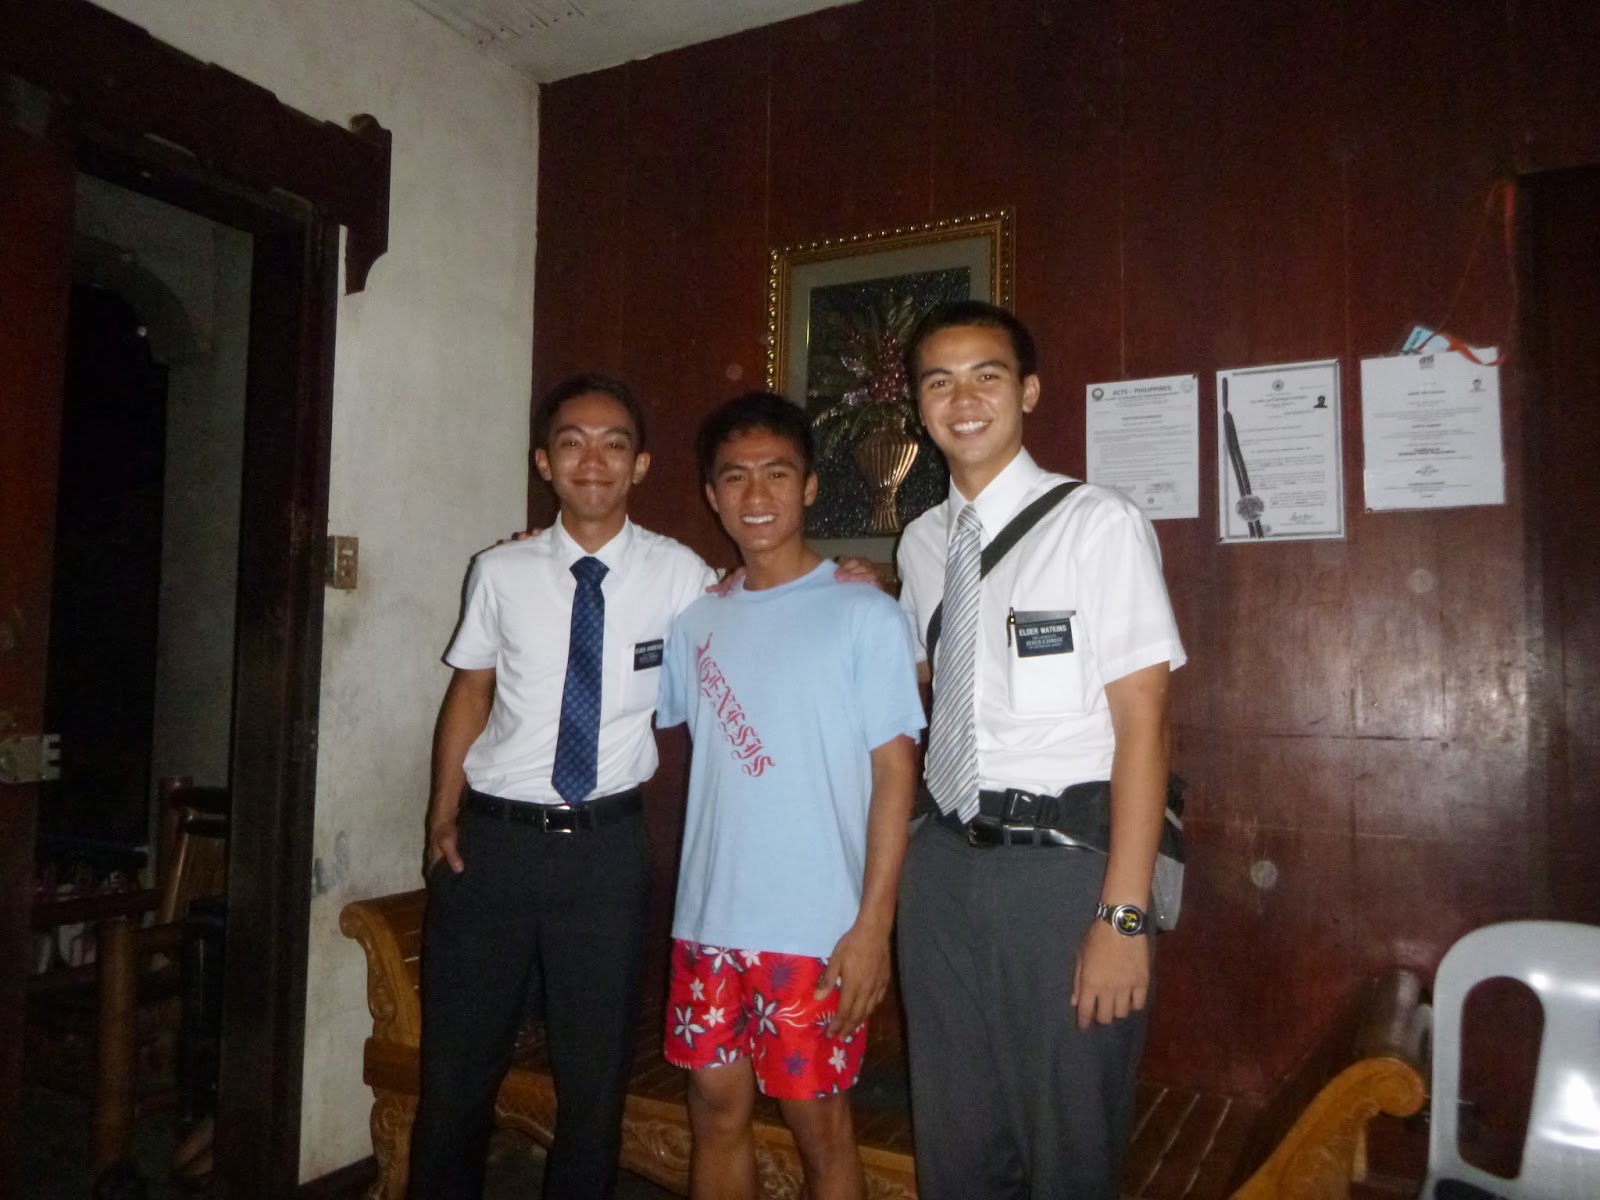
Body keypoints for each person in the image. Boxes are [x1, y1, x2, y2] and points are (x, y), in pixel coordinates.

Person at [893, 301, 1186, 1200]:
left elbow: (1146, 723)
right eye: (939, 382)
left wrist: (1123, 917)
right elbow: (925, 679)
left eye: (986, 376)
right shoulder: (922, 543)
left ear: (1027, 392)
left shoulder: (1098, 523)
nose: (963, 399)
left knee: (1068, 1149)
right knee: (955, 1145)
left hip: (1062, 875)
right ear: (919, 407)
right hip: (941, 868)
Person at [409, 374, 716, 1200]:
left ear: (640, 464)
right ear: (545, 462)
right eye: (572, 443)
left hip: (605, 854)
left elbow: (757, 609)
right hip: (492, 848)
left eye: (614, 444)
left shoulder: (679, 575)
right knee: (455, 1077)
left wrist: (849, 581)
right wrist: (441, 814)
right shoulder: (500, 569)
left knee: (594, 1082)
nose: (593, 461)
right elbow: (470, 690)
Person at [655, 392, 924, 1200]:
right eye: (735, 477)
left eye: (777, 473)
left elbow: (895, 773)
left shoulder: (865, 614)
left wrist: (873, 927)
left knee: (820, 1129)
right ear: (712, 494)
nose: (757, 494)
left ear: (808, 487)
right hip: (707, 921)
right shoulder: (694, 623)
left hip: (818, 930)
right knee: (714, 1111)